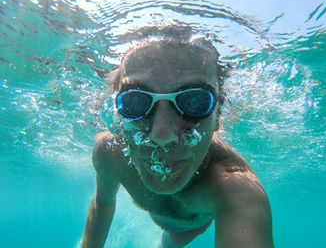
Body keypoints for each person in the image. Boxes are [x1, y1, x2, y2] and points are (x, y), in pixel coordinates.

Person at [81, 26, 274, 248]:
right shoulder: (109, 153)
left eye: (195, 102)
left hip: (191, 228)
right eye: (135, 101)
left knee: (174, 241)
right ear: (117, 111)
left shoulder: (234, 186)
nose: (162, 136)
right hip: (181, 220)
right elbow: (103, 204)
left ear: (218, 114)